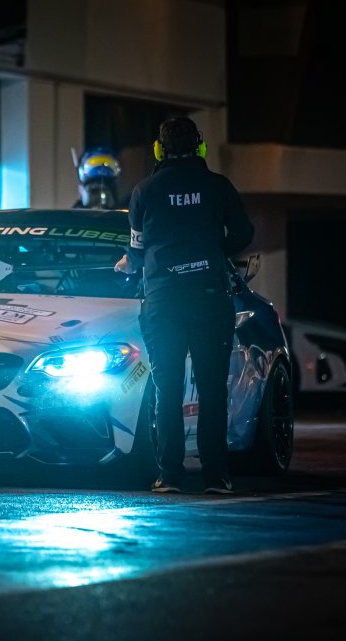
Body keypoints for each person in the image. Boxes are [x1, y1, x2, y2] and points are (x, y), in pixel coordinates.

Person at [114, 116, 253, 494]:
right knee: (212, 390)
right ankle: (217, 477)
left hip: (163, 302)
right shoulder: (218, 186)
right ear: (200, 146)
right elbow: (244, 233)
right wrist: (213, 251)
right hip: (209, 299)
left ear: (159, 150)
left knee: (167, 389)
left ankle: (170, 476)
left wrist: (129, 264)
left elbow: (137, 248)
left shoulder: (145, 190)